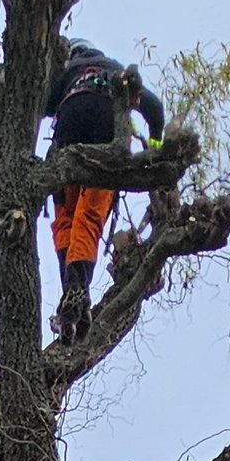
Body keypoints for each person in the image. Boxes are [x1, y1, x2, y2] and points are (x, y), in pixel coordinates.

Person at [40, 38, 166, 343]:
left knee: (66, 220)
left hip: (69, 130)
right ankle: (76, 291)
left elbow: (40, 104)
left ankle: (73, 292)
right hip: (106, 130)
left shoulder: (66, 73)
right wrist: (156, 146)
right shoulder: (115, 70)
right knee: (90, 216)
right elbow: (154, 108)